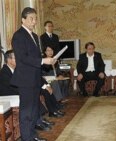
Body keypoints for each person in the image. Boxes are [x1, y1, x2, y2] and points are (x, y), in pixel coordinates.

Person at [11, 7, 55, 141]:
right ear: (23, 19)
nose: (34, 21)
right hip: (25, 80)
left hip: (35, 78)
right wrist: (43, 60)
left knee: (34, 110)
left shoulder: (35, 36)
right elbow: (23, 58)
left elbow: (36, 58)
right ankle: (27, 138)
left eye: (35, 19)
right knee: (27, 112)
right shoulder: (18, 36)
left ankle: (32, 136)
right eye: (31, 18)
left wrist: (47, 59)